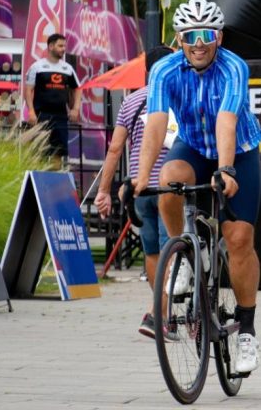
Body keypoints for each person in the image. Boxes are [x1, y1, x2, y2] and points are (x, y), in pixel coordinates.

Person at [135, 0, 261, 373]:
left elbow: (227, 120)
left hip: (237, 151)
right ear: (179, 38)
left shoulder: (233, 67)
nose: (199, 43)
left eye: (207, 34)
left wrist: (226, 170)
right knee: (168, 179)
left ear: (219, 37)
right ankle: (186, 258)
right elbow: (156, 125)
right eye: (191, 35)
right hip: (191, 145)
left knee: (238, 238)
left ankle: (247, 331)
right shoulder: (164, 70)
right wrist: (139, 180)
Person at [94, 46, 174, 338]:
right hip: (169, 188)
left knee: (152, 252)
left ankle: (161, 311)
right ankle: (158, 314)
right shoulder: (175, 97)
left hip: (139, 189)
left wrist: (104, 191)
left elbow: (115, 149)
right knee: (171, 251)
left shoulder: (132, 101)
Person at [24, 33, 81, 167]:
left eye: (64, 46)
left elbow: (78, 88)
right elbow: (28, 90)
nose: (63, 49)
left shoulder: (68, 68)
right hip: (41, 115)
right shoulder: (37, 67)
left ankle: (54, 183)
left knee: (58, 152)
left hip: (61, 116)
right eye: (60, 46)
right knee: (40, 151)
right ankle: (39, 181)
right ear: (50, 46)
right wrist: (31, 112)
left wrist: (75, 108)